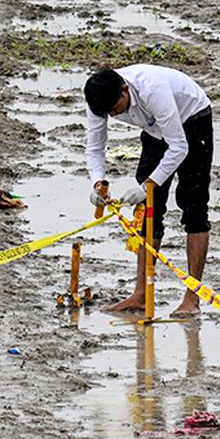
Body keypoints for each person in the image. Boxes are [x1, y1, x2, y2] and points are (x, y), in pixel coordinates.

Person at [84, 64, 213, 317]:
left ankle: (192, 298)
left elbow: (178, 147)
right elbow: (95, 147)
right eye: (107, 113)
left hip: (192, 119)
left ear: (124, 89)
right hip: (154, 128)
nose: (112, 114)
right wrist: (97, 182)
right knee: (148, 212)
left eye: (114, 109)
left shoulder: (153, 90)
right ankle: (141, 294)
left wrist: (148, 186)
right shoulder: (99, 99)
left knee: (194, 207)